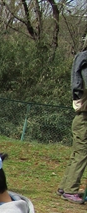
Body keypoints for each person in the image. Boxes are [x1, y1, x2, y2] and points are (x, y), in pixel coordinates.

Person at [57, 47, 87, 204]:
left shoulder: (81, 60)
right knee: (82, 154)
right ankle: (70, 190)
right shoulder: (85, 63)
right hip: (84, 119)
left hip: (81, 118)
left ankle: (64, 187)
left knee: (77, 153)